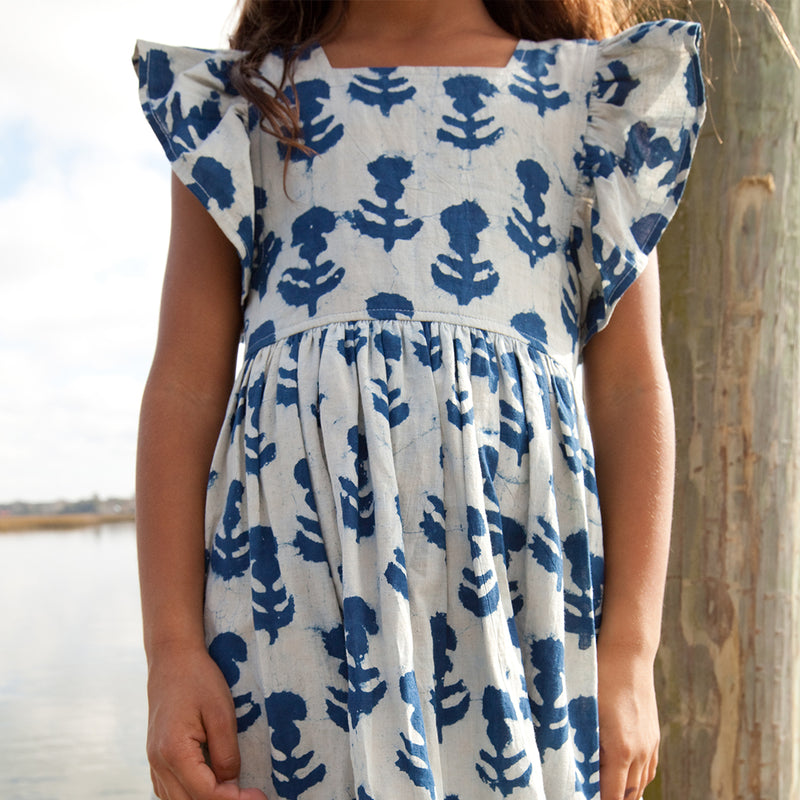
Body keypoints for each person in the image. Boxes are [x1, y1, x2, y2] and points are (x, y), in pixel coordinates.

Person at [133, 1, 705, 799]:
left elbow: (632, 387)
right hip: (292, 620)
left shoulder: (595, 99)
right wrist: (170, 651)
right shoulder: (243, 107)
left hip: (520, 611)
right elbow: (183, 386)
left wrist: (632, 653)